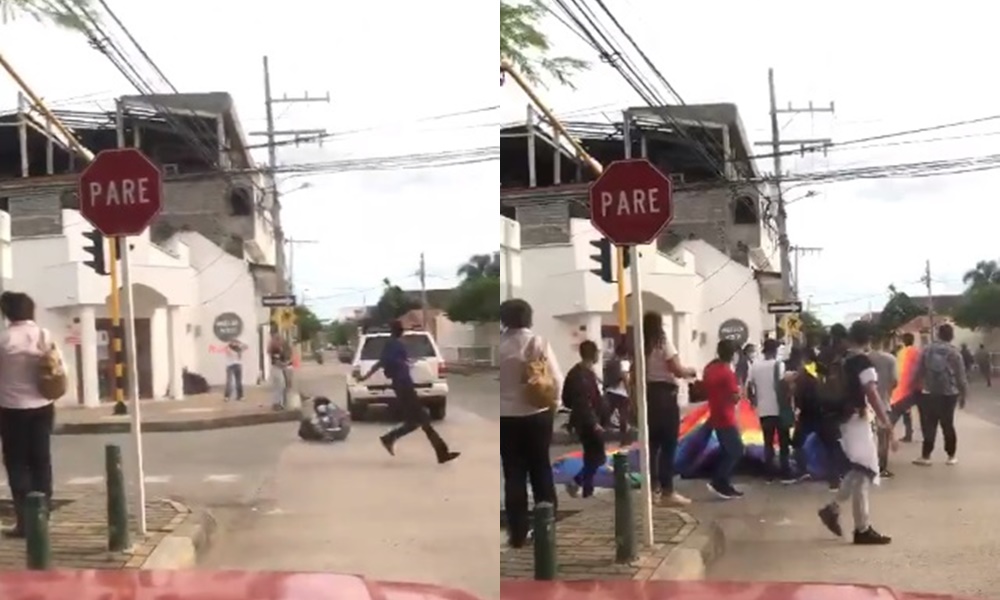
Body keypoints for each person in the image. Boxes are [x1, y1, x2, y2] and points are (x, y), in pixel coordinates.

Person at [817, 320, 895, 545]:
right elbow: (871, 392)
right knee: (865, 471)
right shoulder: (862, 361)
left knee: (859, 470)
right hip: (856, 419)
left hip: (843, 419)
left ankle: (833, 510)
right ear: (870, 339)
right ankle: (861, 528)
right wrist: (886, 422)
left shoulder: (842, 359)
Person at [499, 299, 563, 548]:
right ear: (529, 317)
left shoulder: (500, 347)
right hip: (537, 414)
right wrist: (554, 404)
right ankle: (545, 528)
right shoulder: (538, 342)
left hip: (506, 418)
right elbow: (556, 379)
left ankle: (517, 534)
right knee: (540, 469)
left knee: (513, 474)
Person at [0, 292, 61, 538]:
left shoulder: (4, 340)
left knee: (16, 463)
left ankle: (25, 522)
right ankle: (42, 516)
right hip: (43, 406)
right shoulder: (44, 336)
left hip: (10, 409)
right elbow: (58, 368)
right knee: (41, 460)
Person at [358, 320, 459, 465]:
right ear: (399, 331)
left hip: (402, 385)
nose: (402, 331)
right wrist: (402, 365)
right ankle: (441, 453)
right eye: (401, 329)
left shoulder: (391, 345)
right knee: (423, 420)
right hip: (403, 385)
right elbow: (389, 363)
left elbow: (381, 362)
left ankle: (389, 438)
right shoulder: (395, 345)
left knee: (414, 422)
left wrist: (365, 376)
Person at [643, 311, 698, 506]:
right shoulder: (662, 343)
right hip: (665, 397)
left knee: (651, 446)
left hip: (648, 397)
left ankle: (651, 491)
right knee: (668, 446)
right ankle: (668, 491)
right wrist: (690, 371)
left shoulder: (641, 346)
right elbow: (676, 369)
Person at [790, 347, 846, 490]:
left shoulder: (805, 376)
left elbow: (799, 395)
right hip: (823, 414)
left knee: (798, 442)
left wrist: (798, 407)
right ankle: (835, 476)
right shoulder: (824, 373)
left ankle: (802, 470)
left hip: (809, 414)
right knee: (831, 446)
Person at [911, 324, 968, 466]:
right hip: (950, 393)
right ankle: (951, 456)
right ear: (951, 336)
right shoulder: (954, 352)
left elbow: (918, 371)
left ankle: (926, 456)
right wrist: (963, 395)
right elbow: (961, 377)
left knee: (930, 423)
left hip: (930, 392)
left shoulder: (927, 350)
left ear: (938, 334)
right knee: (948, 423)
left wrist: (915, 387)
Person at [747, 338, 795, 484]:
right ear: (775, 350)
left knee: (768, 442)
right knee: (783, 442)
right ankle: (785, 473)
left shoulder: (755, 365)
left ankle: (769, 474)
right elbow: (784, 385)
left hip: (763, 409)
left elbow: (750, 386)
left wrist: (754, 401)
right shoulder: (779, 365)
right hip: (779, 409)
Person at [563, 340, 606, 498]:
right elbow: (582, 402)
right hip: (588, 422)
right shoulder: (581, 376)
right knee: (598, 456)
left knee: (591, 455)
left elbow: (566, 398)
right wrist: (594, 422)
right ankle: (578, 481)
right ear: (593, 354)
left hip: (587, 421)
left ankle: (587, 489)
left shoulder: (582, 372)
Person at [704, 339, 744, 499]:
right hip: (726, 416)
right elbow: (735, 397)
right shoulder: (728, 373)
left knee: (727, 450)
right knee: (736, 450)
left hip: (715, 413)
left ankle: (724, 482)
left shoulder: (710, 369)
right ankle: (718, 481)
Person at [867, 343, 898, 478]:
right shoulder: (890, 359)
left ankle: (867, 465)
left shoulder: (863, 359)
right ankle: (881, 467)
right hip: (883, 401)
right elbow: (895, 380)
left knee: (868, 435)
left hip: (865, 403)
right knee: (882, 436)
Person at [603, 339, 631, 443]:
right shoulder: (623, 363)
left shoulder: (610, 361)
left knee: (607, 414)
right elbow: (625, 377)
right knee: (623, 417)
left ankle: (602, 436)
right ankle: (624, 440)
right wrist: (630, 392)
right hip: (622, 393)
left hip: (610, 391)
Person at [891, 333, 918, 442]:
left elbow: (898, 371)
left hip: (903, 388)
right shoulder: (917, 352)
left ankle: (888, 431)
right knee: (906, 411)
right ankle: (909, 434)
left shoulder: (902, 353)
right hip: (915, 387)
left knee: (896, 412)